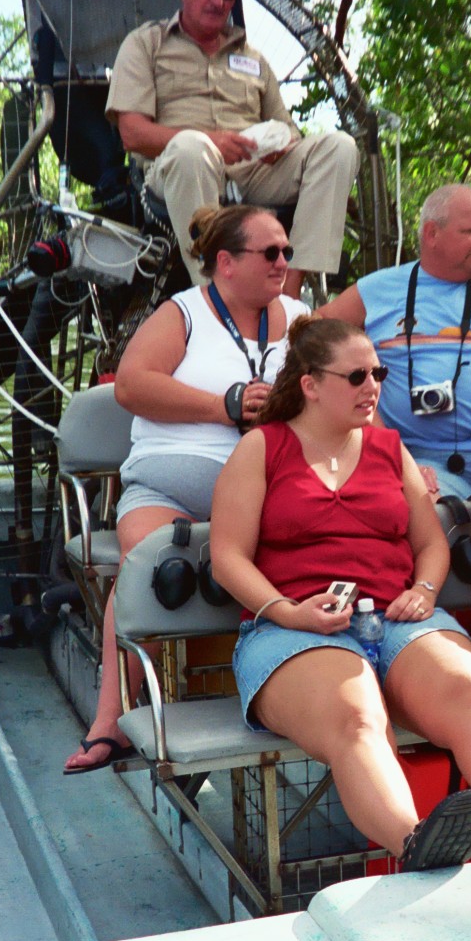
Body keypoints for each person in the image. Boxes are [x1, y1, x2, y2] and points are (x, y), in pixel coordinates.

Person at [208, 318, 471, 867]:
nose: (373, 386)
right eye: (357, 375)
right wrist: (289, 612)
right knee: (357, 716)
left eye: (378, 372)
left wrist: (427, 589)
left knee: (468, 695)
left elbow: (431, 542)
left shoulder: (390, 449)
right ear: (310, 384)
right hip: (290, 630)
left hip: (398, 617)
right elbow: (228, 557)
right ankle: (418, 846)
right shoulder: (261, 449)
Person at [63, 204, 311, 774]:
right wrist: (224, 405)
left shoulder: (300, 318)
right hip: (169, 491)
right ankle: (110, 723)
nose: (283, 263)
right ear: (226, 262)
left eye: (287, 253)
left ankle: (302, 701)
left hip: (268, 496)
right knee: (146, 564)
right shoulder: (184, 314)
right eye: (270, 252)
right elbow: (131, 385)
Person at [106, 0, 359, 298]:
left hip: (253, 171)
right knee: (192, 148)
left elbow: (287, 130)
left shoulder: (253, 59)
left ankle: (289, 295)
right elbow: (132, 134)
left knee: (340, 147)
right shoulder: (145, 44)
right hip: (178, 170)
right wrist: (213, 142)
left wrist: (278, 145)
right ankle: (216, 299)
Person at [318, 184, 471, 498]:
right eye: (470, 231)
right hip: (415, 458)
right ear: (431, 233)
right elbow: (314, 337)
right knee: (429, 515)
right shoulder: (378, 289)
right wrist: (389, 448)